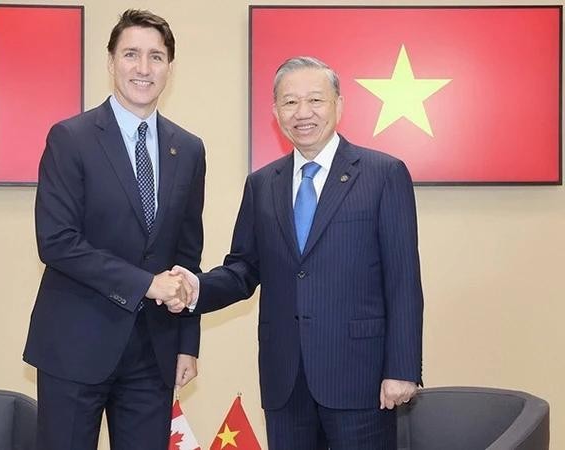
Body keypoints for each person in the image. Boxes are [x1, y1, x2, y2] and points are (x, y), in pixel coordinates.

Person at [171, 57, 423, 449]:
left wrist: (403, 369)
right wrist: (197, 287)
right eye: (289, 102)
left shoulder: (382, 174)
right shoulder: (261, 184)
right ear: (275, 113)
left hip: (362, 380)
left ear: (338, 104)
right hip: (285, 381)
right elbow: (243, 269)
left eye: (315, 100)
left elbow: (403, 279)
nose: (302, 113)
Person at [22, 9, 205, 450]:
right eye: (131, 54)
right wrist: (146, 285)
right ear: (111, 62)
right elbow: (58, 242)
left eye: (156, 57)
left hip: (153, 354)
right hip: (75, 345)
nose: (143, 68)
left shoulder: (190, 149)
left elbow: (187, 255)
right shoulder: (71, 138)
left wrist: (188, 342)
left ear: (169, 68)